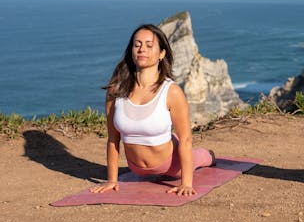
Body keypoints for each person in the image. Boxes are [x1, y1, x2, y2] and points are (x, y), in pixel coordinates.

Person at [90, 24, 215, 196]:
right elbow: (113, 138)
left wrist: (186, 183)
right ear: (131, 50)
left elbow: (186, 139)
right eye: (137, 44)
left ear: (162, 54)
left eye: (149, 45)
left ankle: (206, 154)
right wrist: (112, 180)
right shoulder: (116, 91)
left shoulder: (171, 92)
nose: (142, 49)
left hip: (171, 163)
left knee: (198, 158)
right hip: (137, 168)